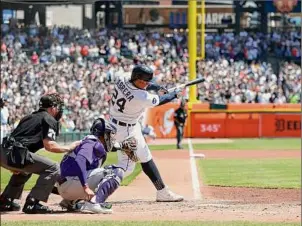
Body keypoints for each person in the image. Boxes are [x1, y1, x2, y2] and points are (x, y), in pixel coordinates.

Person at [109, 64, 184, 202]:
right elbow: (160, 100)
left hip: (122, 124)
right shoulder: (141, 96)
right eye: (142, 81)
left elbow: (145, 84)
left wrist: (157, 87)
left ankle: (162, 191)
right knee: (126, 168)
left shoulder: (123, 77)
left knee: (145, 156)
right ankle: (91, 183)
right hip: (125, 131)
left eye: (147, 82)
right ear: (135, 78)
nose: (145, 84)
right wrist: (175, 94)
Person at [0, 93, 80, 214]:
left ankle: (6, 200)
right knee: (53, 167)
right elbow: (50, 145)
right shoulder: (49, 118)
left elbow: (17, 139)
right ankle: (33, 203)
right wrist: (69, 147)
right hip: (14, 154)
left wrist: (15, 163)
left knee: (25, 170)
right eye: (58, 107)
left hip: (4, 151)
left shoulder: (28, 117)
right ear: (52, 107)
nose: (60, 111)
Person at [57, 118, 126, 214]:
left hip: (66, 185)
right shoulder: (92, 142)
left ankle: (70, 202)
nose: (111, 138)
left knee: (97, 173)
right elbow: (80, 160)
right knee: (117, 171)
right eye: (109, 134)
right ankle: (95, 202)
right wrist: (85, 187)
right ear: (103, 134)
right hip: (70, 184)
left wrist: (123, 147)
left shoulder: (89, 142)